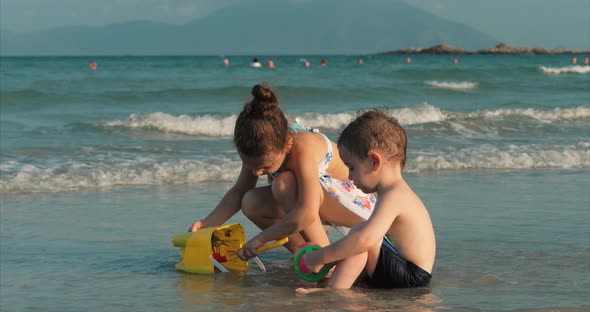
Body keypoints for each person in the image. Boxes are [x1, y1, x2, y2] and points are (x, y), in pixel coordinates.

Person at [188, 84, 376, 259]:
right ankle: (304, 255)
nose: (256, 172)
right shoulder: (259, 149)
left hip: (357, 204)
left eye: (264, 167)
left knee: (283, 184)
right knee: (251, 201)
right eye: (250, 165)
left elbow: (308, 213)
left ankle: (326, 260)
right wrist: (207, 223)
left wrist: (262, 238)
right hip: (314, 203)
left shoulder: (303, 148)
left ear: (287, 145)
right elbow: (239, 192)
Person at [296, 110, 436, 294]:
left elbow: (365, 240)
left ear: (374, 161)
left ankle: (334, 290)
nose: (349, 176)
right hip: (406, 271)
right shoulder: (396, 192)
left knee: (361, 234)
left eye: (352, 167)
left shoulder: (395, 196)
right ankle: (344, 279)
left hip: (410, 277)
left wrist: (321, 256)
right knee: (363, 232)